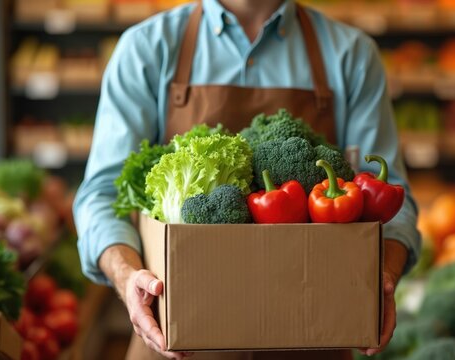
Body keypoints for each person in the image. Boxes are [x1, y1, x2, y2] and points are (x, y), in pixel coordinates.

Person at [73, 0, 421, 359]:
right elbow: (102, 194)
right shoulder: (147, 48)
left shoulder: (351, 54)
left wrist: (383, 273)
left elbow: (392, 197)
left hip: (312, 334)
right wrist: (128, 276)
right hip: (173, 339)